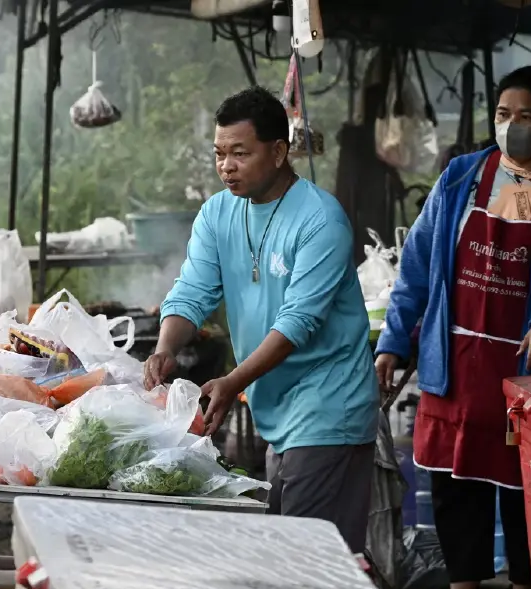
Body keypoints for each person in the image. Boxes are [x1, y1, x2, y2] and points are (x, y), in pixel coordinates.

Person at [145, 86, 378, 554]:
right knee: (295, 555)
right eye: (219, 153)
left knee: (310, 559)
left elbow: (298, 322)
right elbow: (192, 291)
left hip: (329, 403)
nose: (226, 166)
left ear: (277, 151)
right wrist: (164, 348)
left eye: (239, 153)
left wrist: (231, 382)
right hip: (278, 409)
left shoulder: (321, 219)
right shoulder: (217, 213)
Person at [375, 66, 531, 589]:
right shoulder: (462, 178)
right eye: (503, 114)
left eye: (525, 116)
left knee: (525, 490)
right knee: (453, 488)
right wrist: (394, 341)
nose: (511, 126)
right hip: (456, 362)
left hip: (525, 371)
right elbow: (416, 266)